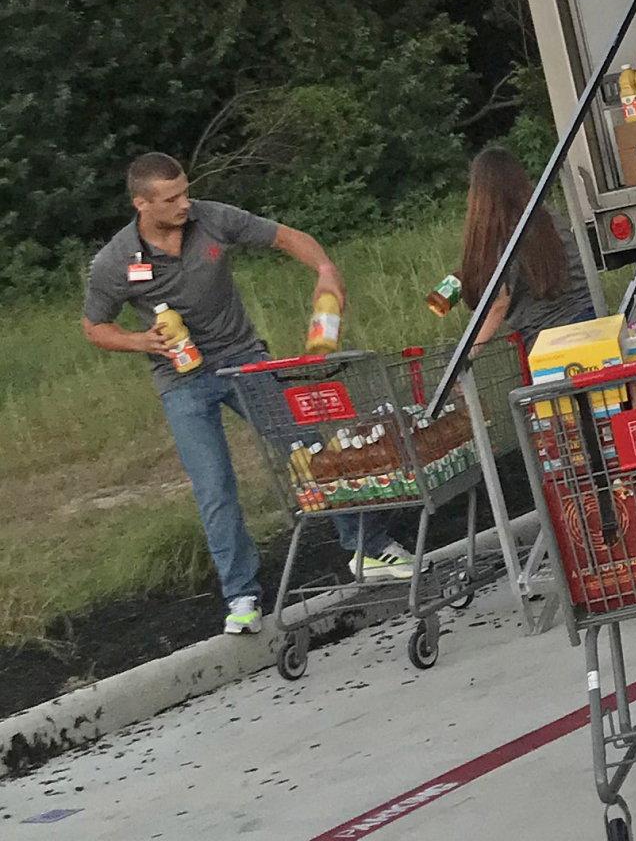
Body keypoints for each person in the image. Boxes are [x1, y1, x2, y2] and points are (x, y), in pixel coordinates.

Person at [81, 154, 413, 638]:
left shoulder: (213, 218)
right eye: (171, 198)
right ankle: (241, 597)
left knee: (312, 452)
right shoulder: (114, 261)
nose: (184, 204)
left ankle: (367, 548)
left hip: (245, 360)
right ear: (141, 204)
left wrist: (324, 269)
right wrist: (140, 341)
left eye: (185, 191)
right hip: (181, 379)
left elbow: (287, 237)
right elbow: (94, 328)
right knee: (215, 489)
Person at [455, 146, 599, 347]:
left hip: (548, 335)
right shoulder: (544, 215)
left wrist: (466, 354)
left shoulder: (506, 229)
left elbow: (499, 302)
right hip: (589, 319)